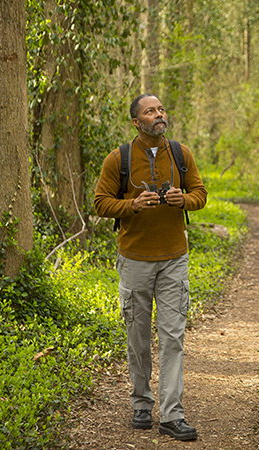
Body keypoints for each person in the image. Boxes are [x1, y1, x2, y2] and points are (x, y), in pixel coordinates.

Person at [93, 94, 207, 441]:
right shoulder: (119, 159)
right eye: (150, 111)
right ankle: (142, 403)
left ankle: (173, 414)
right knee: (138, 337)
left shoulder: (181, 154)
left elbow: (200, 193)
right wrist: (133, 205)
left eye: (160, 109)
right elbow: (100, 203)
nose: (159, 115)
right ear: (136, 122)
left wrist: (182, 199)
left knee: (173, 337)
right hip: (135, 260)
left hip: (175, 258)